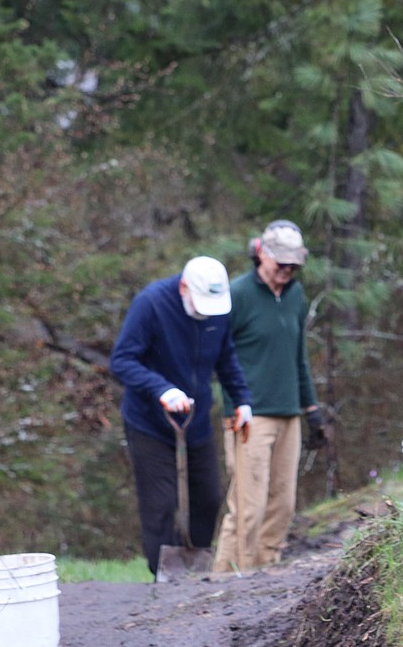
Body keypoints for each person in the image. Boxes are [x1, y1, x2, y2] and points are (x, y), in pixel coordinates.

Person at [111, 255, 253, 578]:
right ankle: (165, 577)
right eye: (200, 304)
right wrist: (161, 389)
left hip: (196, 420)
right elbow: (122, 361)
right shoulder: (151, 304)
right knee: (161, 505)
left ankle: (195, 571)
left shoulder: (217, 311)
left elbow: (226, 358)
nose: (205, 313)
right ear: (184, 288)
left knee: (209, 497)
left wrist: (243, 399)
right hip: (150, 421)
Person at [213, 220, 327, 573]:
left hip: (288, 411)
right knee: (249, 503)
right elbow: (217, 354)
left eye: (294, 266)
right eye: (281, 264)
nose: (287, 271)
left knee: (282, 503)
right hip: (250, 415)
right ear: (261, 254)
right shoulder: (238, 294)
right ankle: (231, 579)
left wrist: (311, 408)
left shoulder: (294, 295)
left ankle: (267, 573)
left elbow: (298, 355)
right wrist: (232, 408)